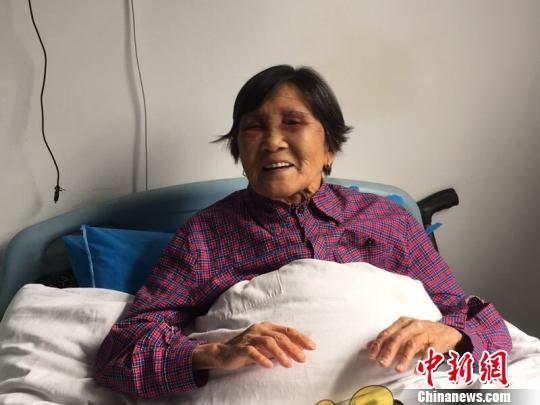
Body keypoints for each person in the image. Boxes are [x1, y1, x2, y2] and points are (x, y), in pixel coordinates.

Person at [94, 65, 511, 398]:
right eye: (254, 127)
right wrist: (214, 352)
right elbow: (122, 353)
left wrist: (449, 333)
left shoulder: (389, 220)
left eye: (293, 122)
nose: (272, 141)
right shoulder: (205, 237)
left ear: (329, 148)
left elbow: (476, 319)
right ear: (240, 151)